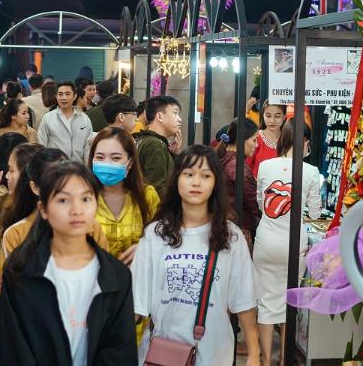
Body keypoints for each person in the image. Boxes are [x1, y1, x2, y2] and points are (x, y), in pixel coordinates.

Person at [0, 161, 137, 366]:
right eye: (63, 200)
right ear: (43, 209)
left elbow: (120, 351)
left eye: (86, 199)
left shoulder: (116, 276)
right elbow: (12, 349)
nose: (77, 210)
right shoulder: (21, 270)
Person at [131, 145, 260, 366]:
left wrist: (254, 354)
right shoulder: (156, 235)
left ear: (215, 183)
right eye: (189, 174)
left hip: (214, 354)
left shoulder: (231, 237)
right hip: (162, 353)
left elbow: (244, 300)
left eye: (206, 175)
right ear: (177, 180)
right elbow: (136, 305)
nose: (196, 182)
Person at [254, 122, 321, 366]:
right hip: (294, 245)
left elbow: (262, 205)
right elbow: (314, 211)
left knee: (266, 302)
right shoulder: (311, 172)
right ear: (305, 142)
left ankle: (265, 361)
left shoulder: (264, 166)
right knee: (289, 301)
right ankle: (284, 360)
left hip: (266, 242)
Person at [0, 140, 41, 366]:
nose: (7, 177)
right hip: (0, 301)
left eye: (12, 171)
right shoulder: (6, 206)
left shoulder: (45, 223)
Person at [88, 127, 159, 263]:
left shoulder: (147, 196)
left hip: (138, 278)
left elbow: (162, 237)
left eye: (115, 158)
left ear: (130, 162)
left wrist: (145, 248)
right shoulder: (81, 199)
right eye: (100, 157)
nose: (107, 163)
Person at [216, 117, 261, 247]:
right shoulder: (237, 167)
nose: (256, 145)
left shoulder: (225, 159)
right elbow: (255, 205)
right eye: (254, 140)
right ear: (243, 140)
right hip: (238, 230)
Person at [135, 96, 181, 198]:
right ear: (159, 116)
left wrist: (174, 153)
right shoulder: (155, 145)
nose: (179, 119)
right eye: (175, 113)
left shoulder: (145, 139)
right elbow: (157, 189)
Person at [38, 81, 93, 161]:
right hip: (55, 169)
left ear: (74, 96)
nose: (64, 98)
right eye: (60, 94)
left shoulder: (85, 119)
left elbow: (88, 148)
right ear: (56, 96)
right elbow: (41, 146)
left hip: (78, 169)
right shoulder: (47, 118)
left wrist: (86, 170)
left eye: (67, 94)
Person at [246, 103, 286, 177]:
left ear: (284, 117)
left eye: (277, 116)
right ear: (263, 115)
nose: (272, 120)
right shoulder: (255, 138)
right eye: (268, 116)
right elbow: (245, 168)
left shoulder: (288, 139)